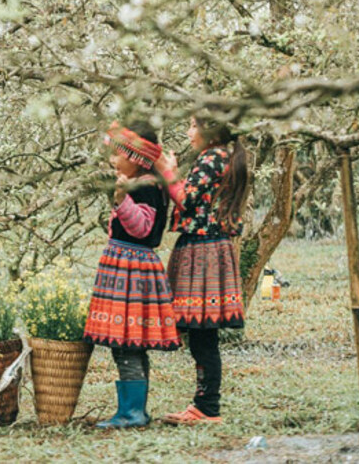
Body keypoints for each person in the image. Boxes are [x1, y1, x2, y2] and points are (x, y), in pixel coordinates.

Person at [83, 122, 180, 428]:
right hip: (128, 266)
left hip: (131, 269)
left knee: (126, 342)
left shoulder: (146, 187)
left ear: (135, 158)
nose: (113, 160)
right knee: (129, 342)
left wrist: (121, 199)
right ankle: (134, 409)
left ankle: (132, 412)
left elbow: (143, 229)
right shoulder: (144, 183)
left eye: (118, 154)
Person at [155, 116, 250, 425]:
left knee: (203, 334)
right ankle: (204, 405)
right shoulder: (221, 156)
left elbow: (185, 198)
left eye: (193, 125)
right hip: (209, 248)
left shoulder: (212, 157)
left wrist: (167, 171)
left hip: (203, 251)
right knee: (201, 335)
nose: (188, 131)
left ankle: (208, 408)